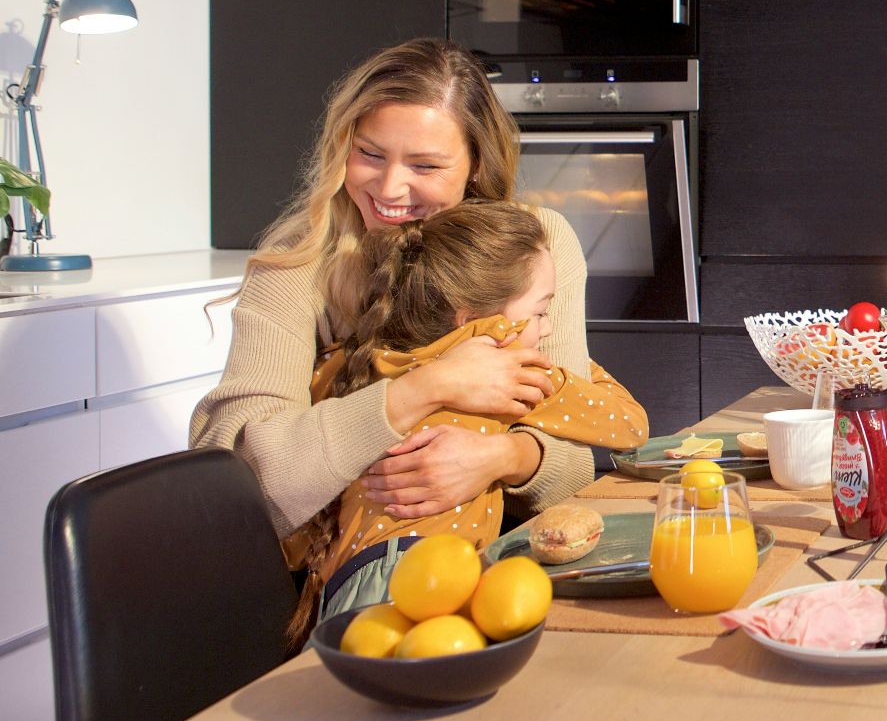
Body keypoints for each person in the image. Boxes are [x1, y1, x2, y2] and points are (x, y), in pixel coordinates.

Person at [192, 38, 595, 551]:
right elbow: (236, 486)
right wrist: (426, 388)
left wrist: (503, 458)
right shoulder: (296, 263)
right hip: (340, 574)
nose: (388, 188)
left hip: (505, 562)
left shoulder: (539, 243)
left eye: (425, 166)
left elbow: (576, 464)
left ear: (476, 163)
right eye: (370, 154)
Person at [283, 200, 650, 637]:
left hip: (344, 587)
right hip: (434, 582)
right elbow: (631, 425)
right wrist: (574, 369)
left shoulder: (352, 363)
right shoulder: (510, 371)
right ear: (479, 323)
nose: (549, 329)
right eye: (539, 313)